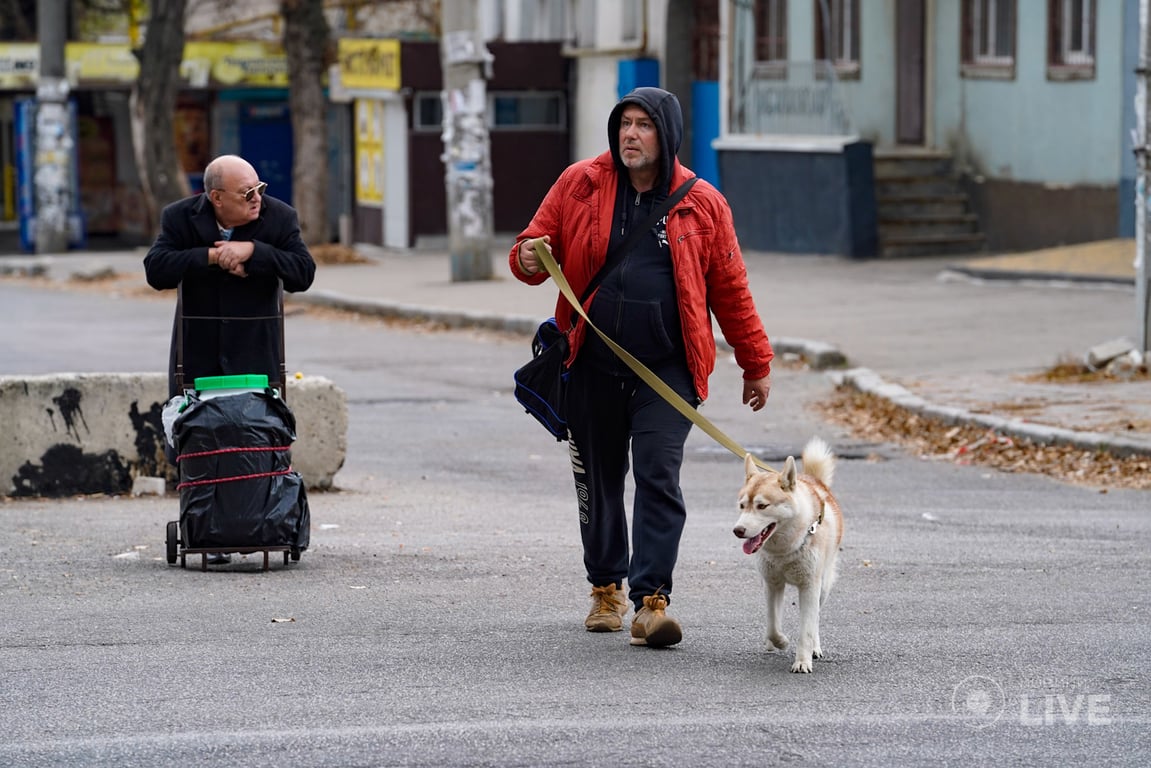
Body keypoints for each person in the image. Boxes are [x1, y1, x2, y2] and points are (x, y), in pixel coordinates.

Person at [509, 87, 774, 648]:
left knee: (658, 474)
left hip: (668, 371)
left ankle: (652, 600)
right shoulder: (579, 182)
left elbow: (730, 287)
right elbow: (531, 248)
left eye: (644, 126)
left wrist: (755, 362)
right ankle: (606, 587)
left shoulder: (702, 202)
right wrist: (528, 255)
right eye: (625, 124)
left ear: (667, 134)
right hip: (591, 363)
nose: (631, 135)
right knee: (600, 480)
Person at [145, 154, 315, 563]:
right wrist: (209, 256)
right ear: (216, 197)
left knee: (255, 436)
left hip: (254, 346)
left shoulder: (278, 218)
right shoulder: (181, 217)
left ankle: (262, 518)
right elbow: (157, 270)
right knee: (201, 437)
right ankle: (205, 528)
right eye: (246, 193)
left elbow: (302, 273)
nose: (257, 198)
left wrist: (253, 251)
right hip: (198, 346)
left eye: (259, 189)